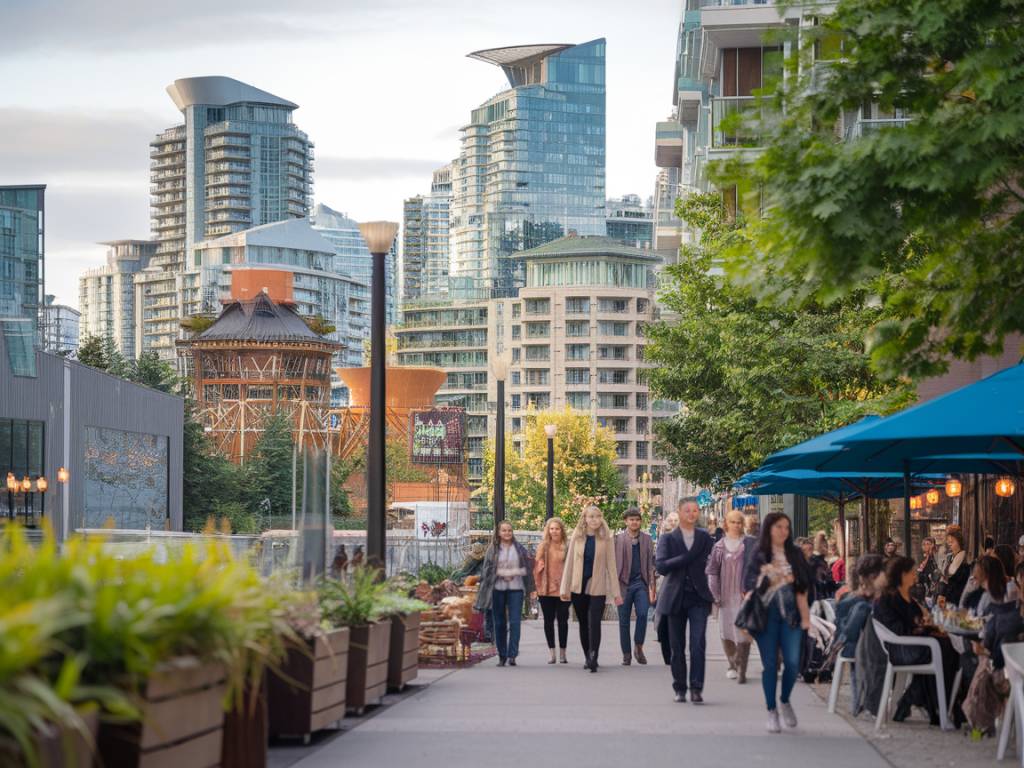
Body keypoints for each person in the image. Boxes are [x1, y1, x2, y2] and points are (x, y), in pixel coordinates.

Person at [743, 512, 812, 734]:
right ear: (768, 529)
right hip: (766, 614)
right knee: (770, 664)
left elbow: (805, 585)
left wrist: (806, 617)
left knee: (792, 663)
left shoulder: (795, 554)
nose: (784, 531)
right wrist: (766, 577)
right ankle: (771, 710)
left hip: (791, 614)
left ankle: (784, 699)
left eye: (786, 527)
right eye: (779, 527)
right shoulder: (759, 554)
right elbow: (748, 584)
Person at [873, 556, 959, 726]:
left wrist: (927, 626)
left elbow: (917, 623)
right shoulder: (887, 599)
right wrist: (921, 628)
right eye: (912, 572)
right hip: (901, 649)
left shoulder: (910, 599)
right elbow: (898, 629)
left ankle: (918, 700)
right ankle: (938, 707)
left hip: (915, 645)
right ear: (902, 575)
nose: (915, 576)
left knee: (950, 647)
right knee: (945, 649)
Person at [656, 499, 714, 704]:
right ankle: (680, 687)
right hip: (675, 597)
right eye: (687, 510)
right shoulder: (668, 539)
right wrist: (686, 558)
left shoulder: (705, 537)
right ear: (679, 512)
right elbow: (661, 566)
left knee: (698, 643)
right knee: (677, 645)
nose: (691, 513)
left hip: (699, 597)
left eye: (695, 510)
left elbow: (713, 565)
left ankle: (696, 687)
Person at [560, 504, 623, 672]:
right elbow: (569, 563)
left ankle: (594, 655)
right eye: (591, 516)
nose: (595, 520)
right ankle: (587, 655)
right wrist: (564, 589)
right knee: (583, 623)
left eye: (597, 516)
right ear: (585, 519)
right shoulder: (577, 536)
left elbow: (611, 565)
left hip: (598, 587)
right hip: (578, 587)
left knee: (594, 622)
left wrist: (616, 593)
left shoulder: (606, 538)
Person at [474, 521, 535, 667]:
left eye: (509, 530)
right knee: (499, 623)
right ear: (499, 533)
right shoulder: (492, 550)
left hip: (516, 589)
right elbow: (486, 570)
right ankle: (502, 655)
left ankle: (512, 654)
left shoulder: (519, 549)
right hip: (497, 590)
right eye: (504, 530)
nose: (507, 533)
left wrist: (532, 589)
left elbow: (527, 569)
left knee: (515, 622)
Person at [706, 509, 755, 683]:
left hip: (744, 595)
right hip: (725, 595)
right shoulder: (719, 546)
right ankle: (731, 664)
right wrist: (715, 594)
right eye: (733, 522)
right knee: (726, 631)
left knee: (743, 632)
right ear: (726, 523)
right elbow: (712, 571)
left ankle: (741, 664)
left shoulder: (749, 544)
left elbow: (757, 568)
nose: (736, 525)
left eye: (739, 522)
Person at [832, 555, 886, 689]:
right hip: (856, 648)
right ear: (874, 576)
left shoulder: (869, 598)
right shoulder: (855, 602)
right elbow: (848, 633)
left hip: (865, 648)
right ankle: (862, 701)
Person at [615, 507, 657, 665]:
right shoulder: (618, 539)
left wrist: (652, 586)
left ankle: (638, 646)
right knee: (624, 621)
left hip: (641, 583)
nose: (634, 522)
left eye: (637, 519)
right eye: (631, 519)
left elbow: (651, 564)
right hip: (623, 584)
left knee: (642, 613)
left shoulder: (647, 539)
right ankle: (626, 654)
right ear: (626, 521)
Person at [533, 517, 570, 664]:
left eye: (557, 528)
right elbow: (536, 568)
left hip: (563, 589)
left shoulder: (567, 546)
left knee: (563, 620)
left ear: (562, 530)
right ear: (548, 530)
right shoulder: (543, 546)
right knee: (548, 621)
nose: (554, 531)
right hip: (546, 589)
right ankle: (552, 653)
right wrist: (536, 586)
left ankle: (563, 653)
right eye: (551, 528)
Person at [654, 511, 680, 665]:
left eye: (676, 519)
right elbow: (660, 564)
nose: (673, 522)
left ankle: (676, 652)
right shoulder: (664, 538)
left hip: (682, 583)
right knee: (663, 616)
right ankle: (667, 653)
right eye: (671, 520)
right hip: (666, 583)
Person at [939, 525, 970, 606]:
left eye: (952, 541)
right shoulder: (949, 557)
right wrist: (941, 594)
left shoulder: (965, 558)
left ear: (959, 541)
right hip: (948, 598)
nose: (949, 544)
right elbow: (945, 578)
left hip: (959, 598)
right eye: (948, 541)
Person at [912, 536, 938, 603]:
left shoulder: (934, 557)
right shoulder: (922, 557)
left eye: (928, 544)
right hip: (922, 585)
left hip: (931, 585)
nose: (925, 546)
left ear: (933, 545)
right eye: (924, 544)